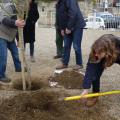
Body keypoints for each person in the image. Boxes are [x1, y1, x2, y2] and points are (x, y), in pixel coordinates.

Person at [81, 34, 120, 107]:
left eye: (98, 53)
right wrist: (86, 89)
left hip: (116, 52)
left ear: (106, 51)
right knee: (94, 75)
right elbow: (90, 70)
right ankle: (95, 95)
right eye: (95, 52)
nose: (96, 55)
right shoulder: (95, 53)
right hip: (106, 54)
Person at [55, 0, 86, 70]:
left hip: (77, 25)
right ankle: (64, 63)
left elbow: (73, 12)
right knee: (66, 45)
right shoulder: (59, 3)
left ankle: (79, 64)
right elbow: (60, 17)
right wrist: (62, 29)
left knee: (76, 46)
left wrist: (69, 27)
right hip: (67, 27)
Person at [0, 2, 25, 82]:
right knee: (3, 57)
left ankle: (18, 67)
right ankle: (1, 75)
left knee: (15, 53)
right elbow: (3, 19)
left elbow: (18, 27)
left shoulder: (21, 11)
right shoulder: (9, 7)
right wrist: (15, 22)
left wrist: (18, 39)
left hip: (11, 36)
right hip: (2, 35)